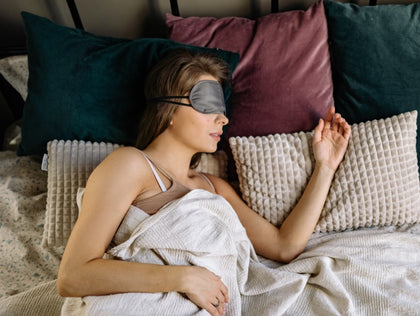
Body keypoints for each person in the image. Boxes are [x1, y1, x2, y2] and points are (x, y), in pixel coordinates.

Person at [57, 48, 351, 316]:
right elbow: (72, 276)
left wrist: (325, 167)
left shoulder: (214, 188)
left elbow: (285, 247)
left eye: (222, 109)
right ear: (168, 110)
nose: (222, 119)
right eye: (207, 104)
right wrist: (183, 277)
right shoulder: (130, 165)